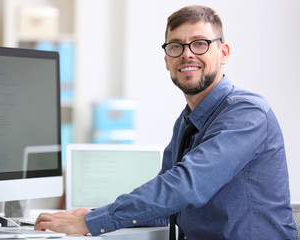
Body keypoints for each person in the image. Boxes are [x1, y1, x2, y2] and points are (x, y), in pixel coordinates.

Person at [34, 5, 298, 240]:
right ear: (167, 60)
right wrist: (95, 214)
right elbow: (169, 208)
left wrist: (91, 222)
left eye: (200, 43)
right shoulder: (186, 122)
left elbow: (185, 186)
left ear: (224, 53)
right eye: (176, 46)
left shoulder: (247, 113)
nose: (187, 54)